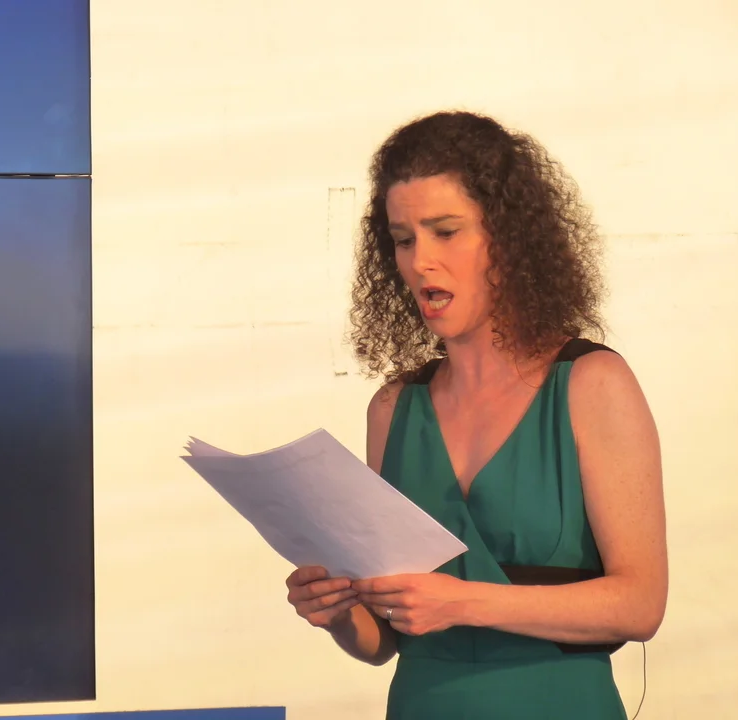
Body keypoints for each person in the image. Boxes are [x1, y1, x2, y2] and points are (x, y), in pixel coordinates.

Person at [284, 111, 668, 719]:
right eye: (403, 239)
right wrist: (338, 614)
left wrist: (462, 602)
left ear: (509, 239)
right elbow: (385, 640)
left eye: (445, 231)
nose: (419, 261)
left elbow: (641, 605)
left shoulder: (591, 384)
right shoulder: (393, 409)